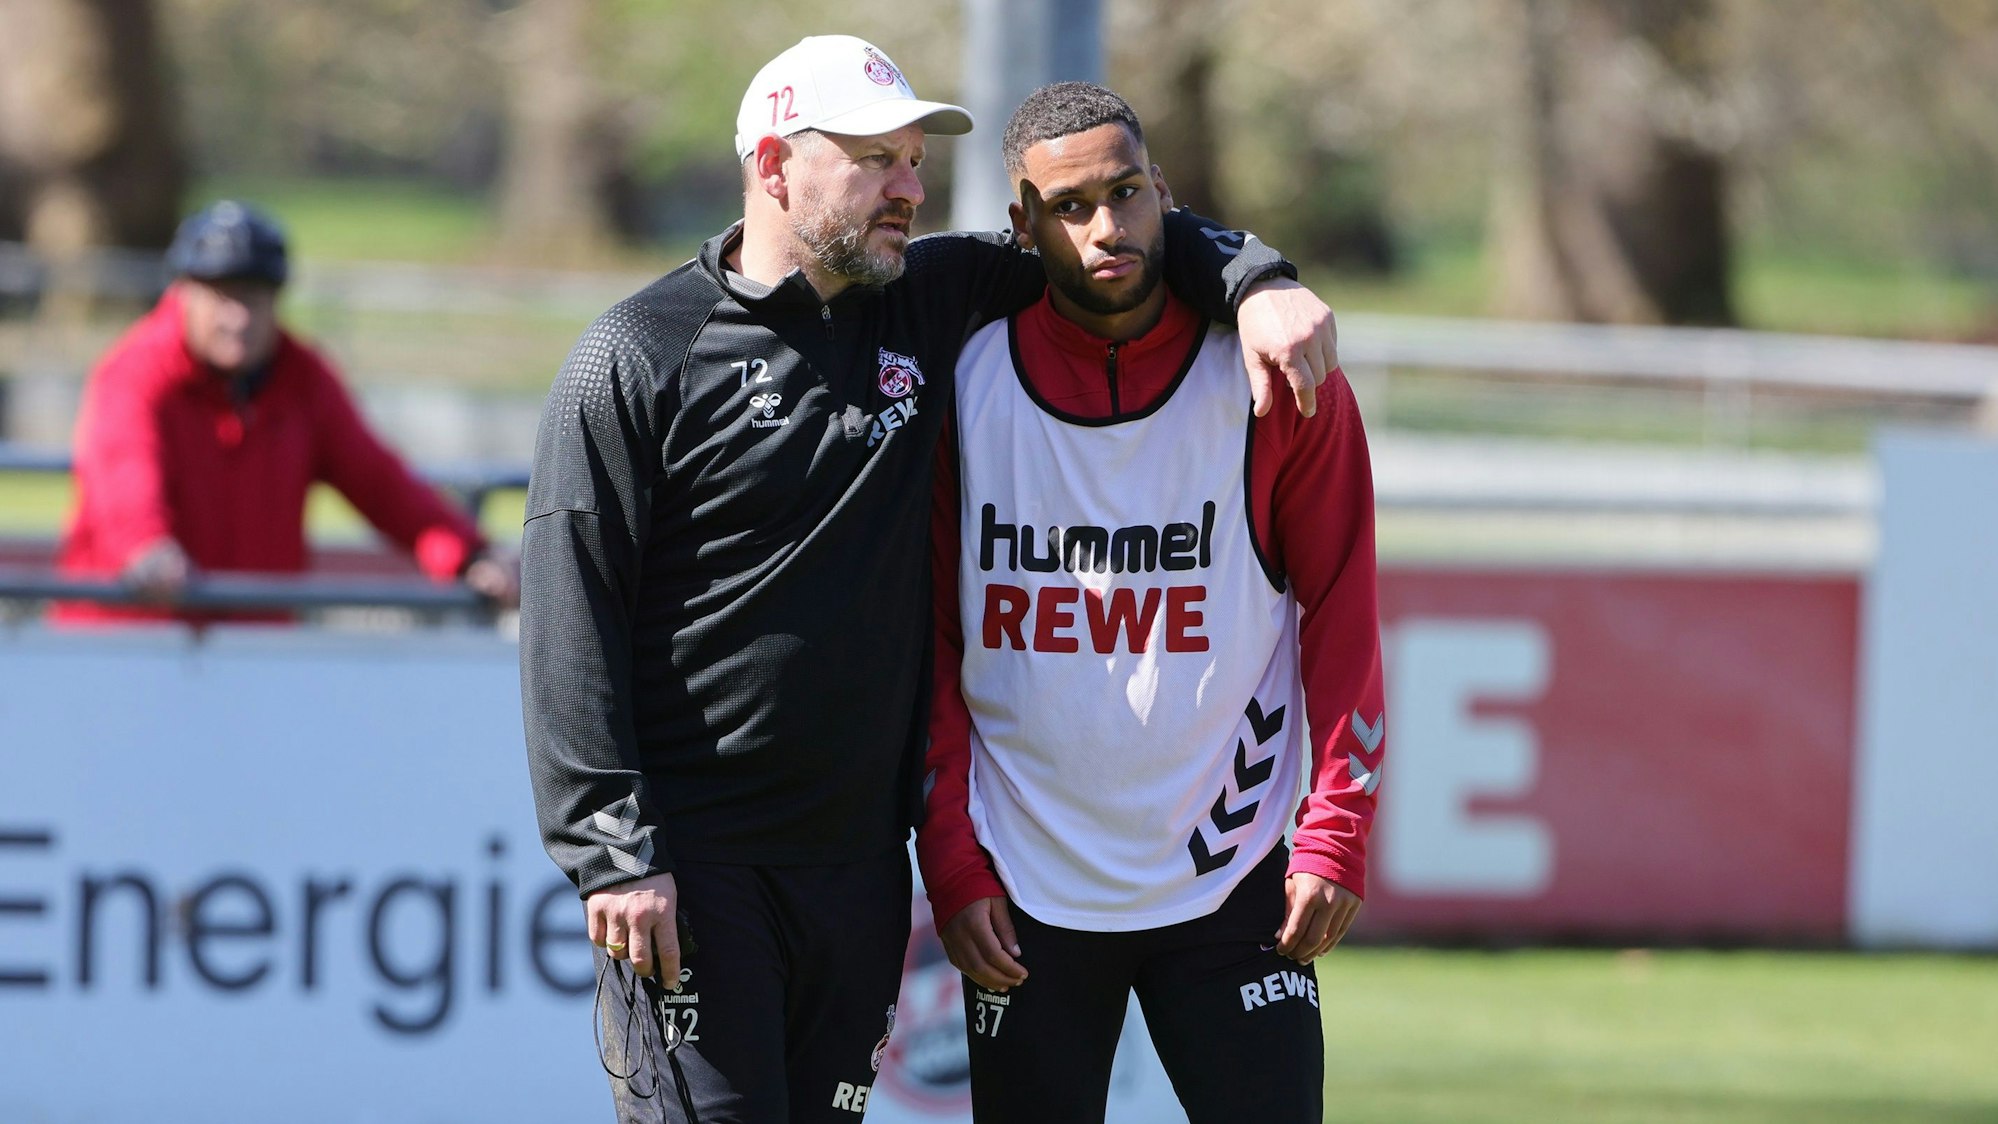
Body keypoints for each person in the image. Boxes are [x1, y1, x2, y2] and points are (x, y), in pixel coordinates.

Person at [520, 35, 1341, 1124]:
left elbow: (1106, 231)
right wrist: (612, 850)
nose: (909, 187)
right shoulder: (635, 353)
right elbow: (569, 616)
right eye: (874, 160)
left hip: (860, 871)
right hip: (695, 863)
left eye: (912, 159)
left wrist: (1257, 279)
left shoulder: (929, 296)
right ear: (773, 166)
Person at [915, 82, 1386, 1123]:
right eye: (1071, 207)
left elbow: (1344, 606)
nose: (1106, 228)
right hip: (1022, 882)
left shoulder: (1278, 377)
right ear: (1021, 226)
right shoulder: (963, 384)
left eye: (1127, 194)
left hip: (1234, 873)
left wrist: (1337, 828)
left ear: (1164, 195)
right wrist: (951, 856)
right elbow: (932, 644)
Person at [53, 200, 519, 624]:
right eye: (222, 296)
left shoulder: (303, 381)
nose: (237, 319)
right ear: (182, 292)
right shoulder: (134, 372)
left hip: (255, 657)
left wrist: (468, 553)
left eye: (253, 298)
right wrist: (147, 548)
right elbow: (124, 471)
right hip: (124, 649)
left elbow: (381, 483)